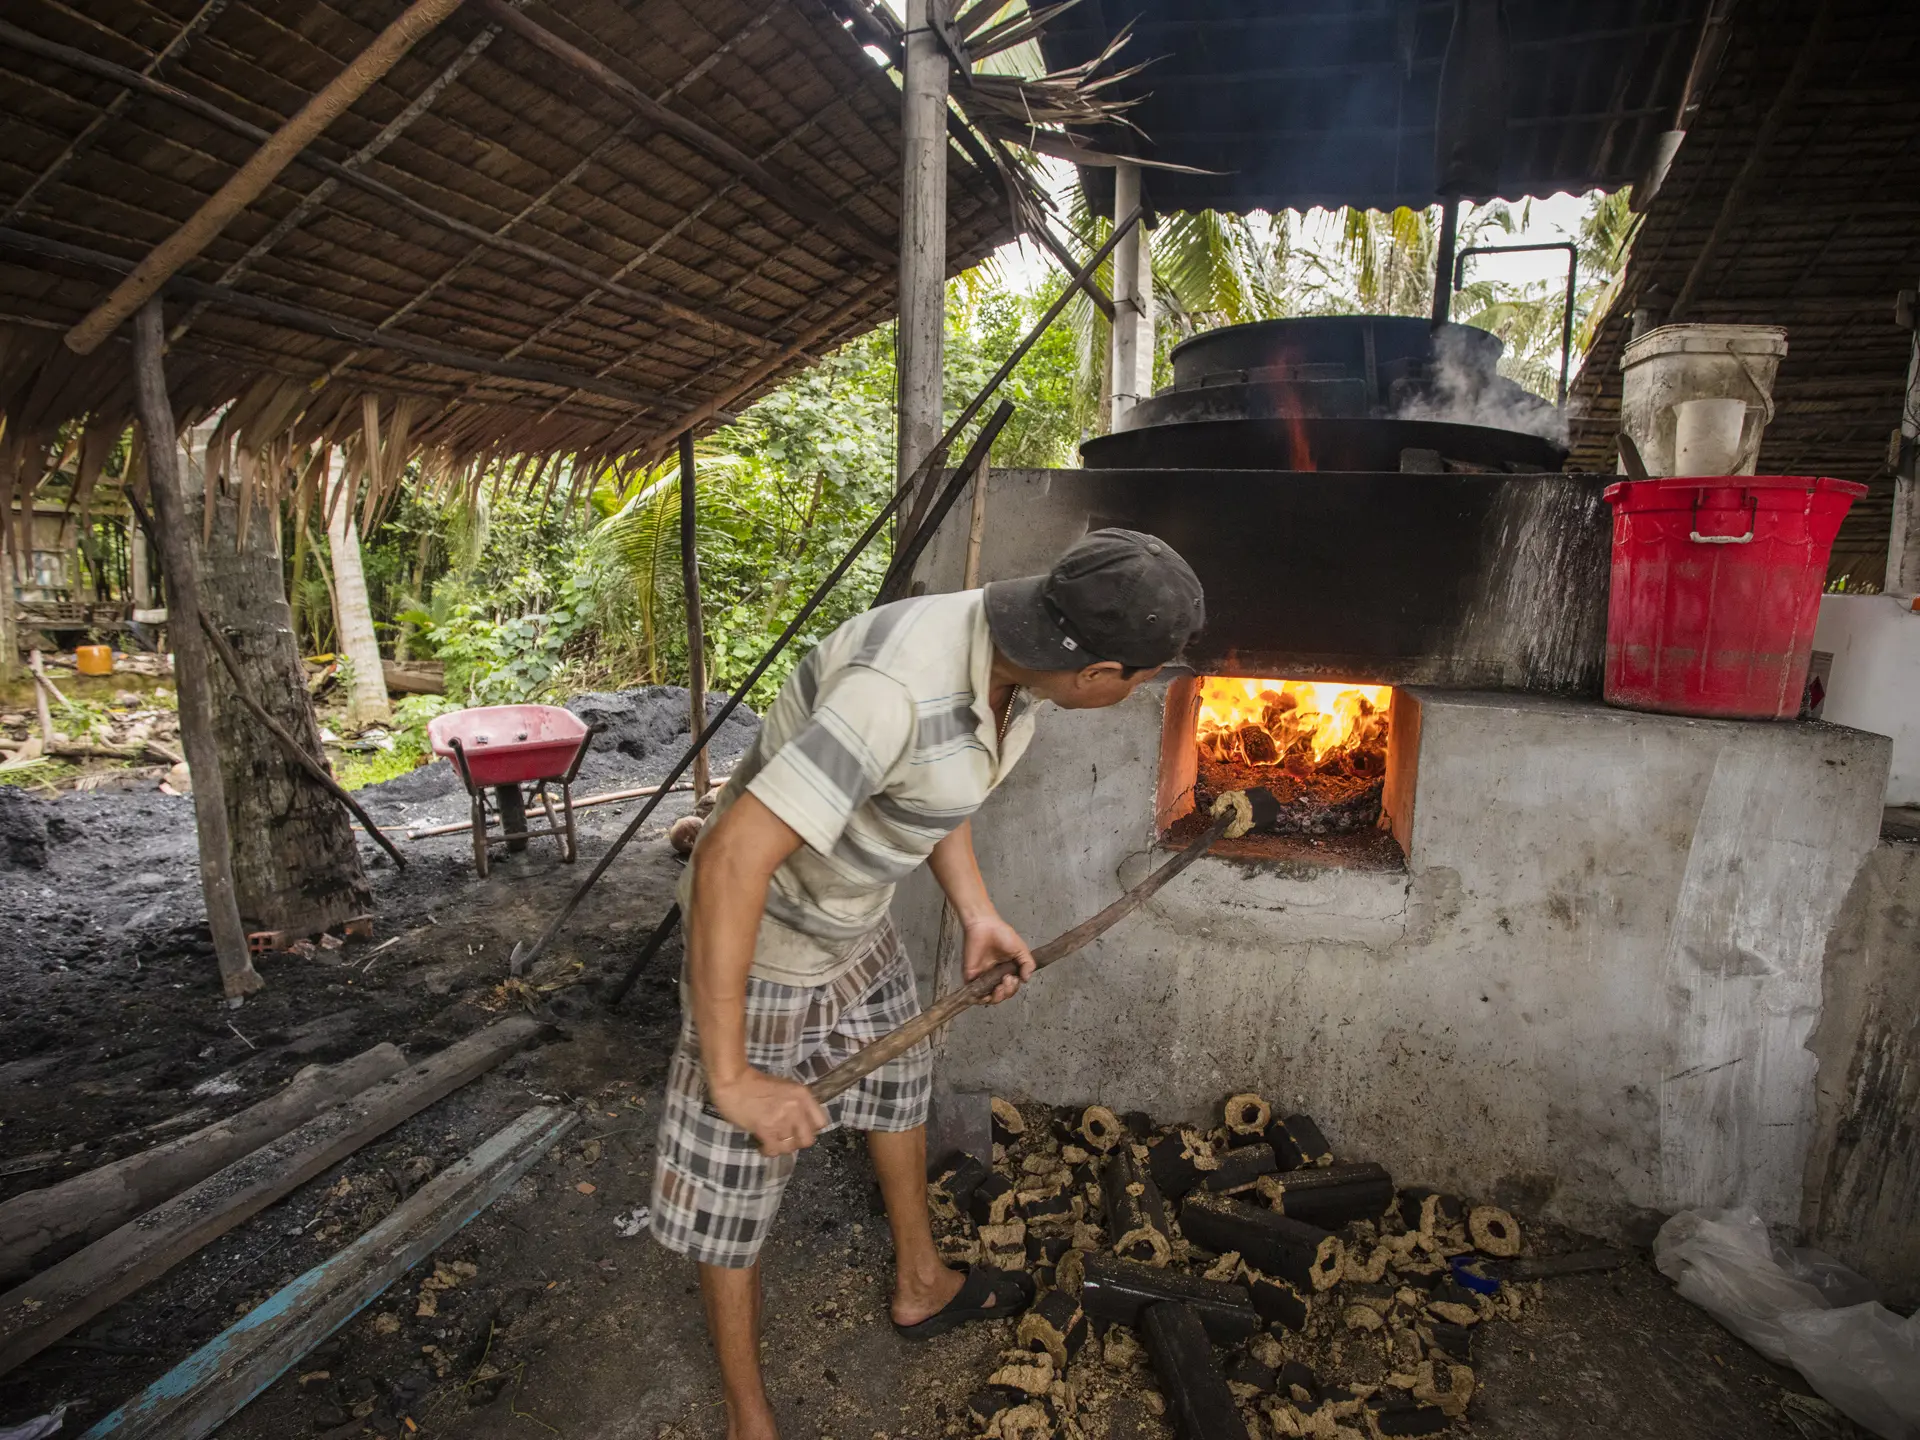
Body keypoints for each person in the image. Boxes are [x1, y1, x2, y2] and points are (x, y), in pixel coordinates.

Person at [650, 528, 1206, 1440]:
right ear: (1101, 672)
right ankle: (750, 1417)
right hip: (763, 944)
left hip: (854, 919)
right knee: (735, 1183)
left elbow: (936, 786)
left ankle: (920, 1281)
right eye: (1142, 679)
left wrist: (977, 913)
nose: (1140, 692)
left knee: (897, 1084)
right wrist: (733, 1074)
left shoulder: (1010, 663)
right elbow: (729, 860)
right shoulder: (894, 692)